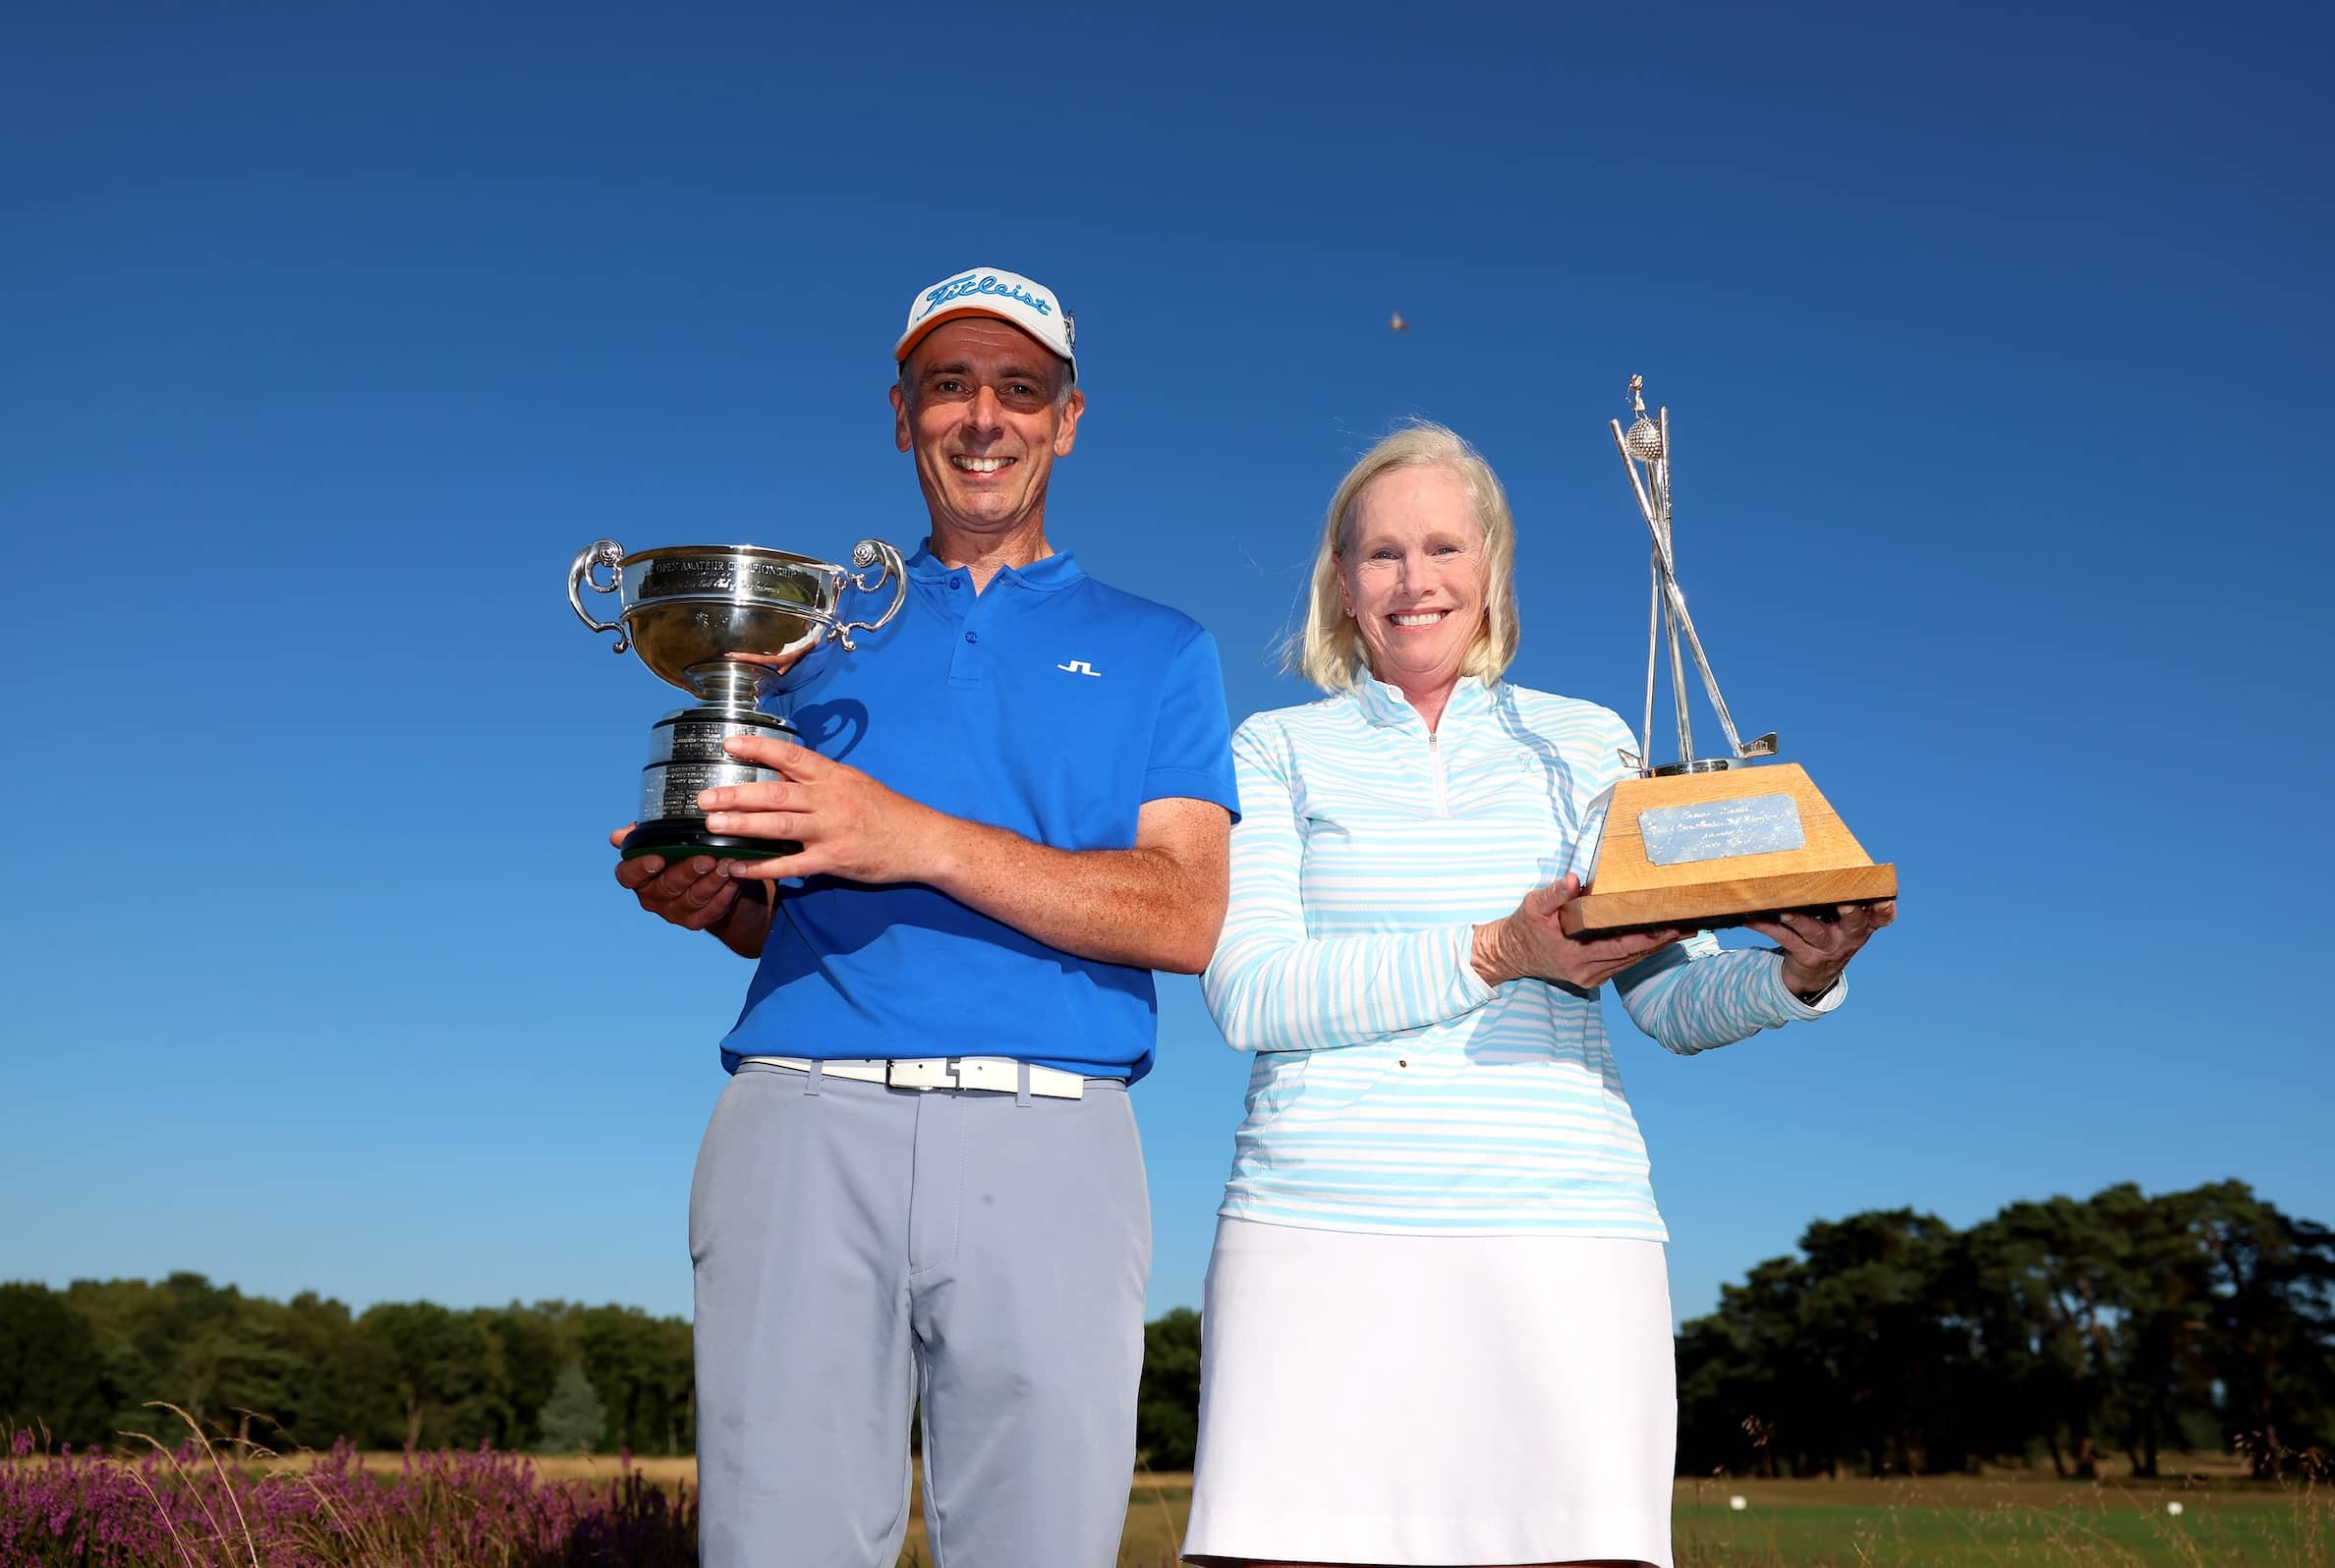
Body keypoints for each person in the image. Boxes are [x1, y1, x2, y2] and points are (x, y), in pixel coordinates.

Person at [608, 266, 1238, 1568]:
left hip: (1055, 1137)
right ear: (902, 418)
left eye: (1020, 389)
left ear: (1069, 419)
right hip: (798, 1124)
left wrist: (919, 839)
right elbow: (780, 909)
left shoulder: (1163, 648)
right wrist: (714, 898)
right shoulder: (811, 637)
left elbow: (1185, 913)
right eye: (949, 386)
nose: (984, 418)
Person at [1178, 422, 1893, 1568]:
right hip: (1317, 1223)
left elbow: (1665, 998)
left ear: (1494, 573)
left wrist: (1804, 972)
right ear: (1340, 583)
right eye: (1383, 555)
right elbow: (1253, 993)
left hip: (1564, 1222)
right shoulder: (1274, 748)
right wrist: (1497, 953)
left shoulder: (1591, 741)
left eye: (1446, 548)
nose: (1417, 581)